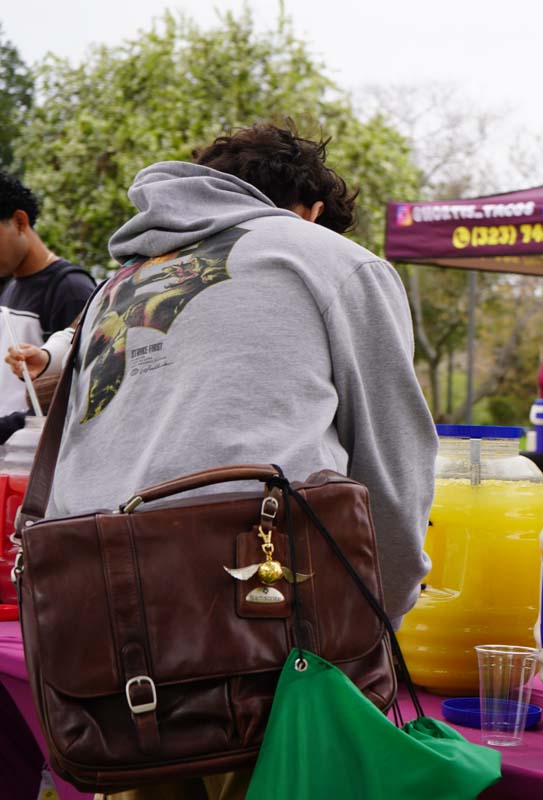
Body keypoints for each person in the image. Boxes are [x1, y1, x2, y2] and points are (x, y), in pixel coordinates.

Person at [27, 122, 437, 800]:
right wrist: (377, 615)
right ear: (308, 209)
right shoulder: (330, 258)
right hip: (274, 639)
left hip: (115, 655)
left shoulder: (115, 287)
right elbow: (393, 464)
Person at [0, 172, 95, 440]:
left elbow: (76, 394)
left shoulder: (70, 288)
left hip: (37, 463)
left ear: (19, 221)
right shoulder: (11, 288)